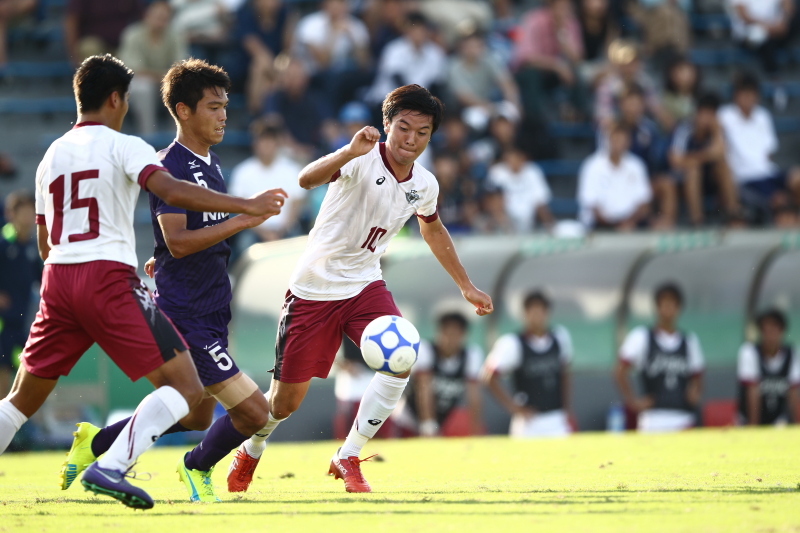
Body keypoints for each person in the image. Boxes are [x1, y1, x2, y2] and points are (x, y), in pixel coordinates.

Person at [0, 54, 284, 509]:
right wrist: (246, 207)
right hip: (110, 279)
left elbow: (44, 242)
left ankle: (98, 447)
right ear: (116, 99)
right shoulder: (127, 146)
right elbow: (169, 195)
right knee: (189, 390)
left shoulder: (50, 156)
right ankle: (111, 466)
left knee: (19, 401)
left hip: (58, 280)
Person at [229, 84, 494, 494]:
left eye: (422, 133)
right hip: (314, 288)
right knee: (284, 403)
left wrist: (466, 286)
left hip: (364, 284)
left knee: (401, 359)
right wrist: (348, 151)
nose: (411, 139)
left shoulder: (425, 184)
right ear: (387, 124)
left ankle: (348, 454)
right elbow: (305, 179)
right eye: (404, 128)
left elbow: (433, 229)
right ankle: (252, 447)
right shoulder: (361, 156)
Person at [614, 283, 704, 433]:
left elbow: (697, 376)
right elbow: (619, 371)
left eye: (672, 304)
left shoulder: (689, 341)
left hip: (684, 417)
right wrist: (633, 402)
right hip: (653, 419)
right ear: (657, 307)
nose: (668, 309)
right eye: (664, 304)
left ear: (679, 308)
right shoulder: (642, 337)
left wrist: (694, 392)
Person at [483, 291, 573, 437]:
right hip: (529, 422)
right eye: (532, 311)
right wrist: (514, 408)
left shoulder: (560, 337)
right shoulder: (512, 343)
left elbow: (565, 372)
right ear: (524, 314)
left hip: (557, 418)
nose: (537, 316)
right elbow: (488, 377)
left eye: (540, 311)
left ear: (547, 313)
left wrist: (566, 408)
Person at [718, 72, 800, 225]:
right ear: (735, 95)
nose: (748, 98)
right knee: (778, 199)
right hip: (745, 178)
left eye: (751, 94)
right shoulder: (724, 116)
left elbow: (769, 153)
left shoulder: (763, 116)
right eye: (744, 94)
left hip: (768, 173)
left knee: (797, 177)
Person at [394, 312, 484, 437]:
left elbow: (473, 395)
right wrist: (428, 425)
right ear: (439, 332)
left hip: (441, 420)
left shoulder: (471, 355)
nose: (450, 339)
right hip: (408, 419)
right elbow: (423, 389)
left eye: (455, 334)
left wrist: (475, 429)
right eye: (447, 333)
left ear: (463, 335)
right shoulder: (425, 350)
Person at [603, 83, 674, 229]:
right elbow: (602, 159)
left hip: (642, 179)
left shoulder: (649, 129)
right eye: (629, 103)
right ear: (621, 105)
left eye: (636, 103)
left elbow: (655, 162)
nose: (632, 108)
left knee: (665, 183)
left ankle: (664, 224)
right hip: (614, 177)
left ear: (642, 106)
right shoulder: (609, 127)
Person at [669, 92, 741, 227]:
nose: (707, 119)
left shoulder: (717, 131)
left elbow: (720, 153)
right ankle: (697, 220)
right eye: (704, 113)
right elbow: (675, 160)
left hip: (710, 179)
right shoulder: (684, 129)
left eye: (711, 114)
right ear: (696, 113)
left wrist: (716, 132)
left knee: (722, 166)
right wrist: (704, 156)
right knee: (693, 169)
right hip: (685, 180)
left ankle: (733, 214)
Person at [119, 1, 189, 135]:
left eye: (165, 17)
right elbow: (133, 70)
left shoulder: (175, 35)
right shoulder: (132, 34)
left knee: (184, 86)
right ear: (147, 15)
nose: (160, 20)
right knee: (143, 87)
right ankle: (148, 135)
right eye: (157, 16)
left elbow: (181, 67)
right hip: (142, 84)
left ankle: (179, 136)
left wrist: (167, 78)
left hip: (165, 83)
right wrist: (164, 77)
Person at [230, 120, 306, 243]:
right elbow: (240, 208)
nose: (266, 145)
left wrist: (281, 231)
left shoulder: (291, 169)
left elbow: (296, 204)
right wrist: (264, 234)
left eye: (270, 140)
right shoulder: (242, 172)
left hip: (286, 230)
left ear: (276, 144)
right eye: (263, 141)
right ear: (255, 144)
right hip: (254, 230)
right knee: (245, 243)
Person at [512, 0, 587, 121]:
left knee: (576, 73)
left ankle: (582, 118)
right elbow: (526, 58)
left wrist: (562, 33)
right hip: (530, 72)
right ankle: (535, 122)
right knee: (532, 76)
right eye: (561, 5)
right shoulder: (533, 19)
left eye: (567, 6)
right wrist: (557, 66)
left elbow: (577, 60)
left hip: (554, 74)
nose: (564, 9)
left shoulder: (571, 22)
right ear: (551, 5)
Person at [0, 191, 41, 396]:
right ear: (11, 214)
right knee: (2, 371)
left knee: (30, 373)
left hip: (23, 324)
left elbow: (43, 281)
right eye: (23, 212)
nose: (27, 217)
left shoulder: (33, 248)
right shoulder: (3, 244)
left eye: (30, 212)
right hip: (3, 325)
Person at [578, 123, 652, 231]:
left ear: (628, 142)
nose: (619, 144)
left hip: (631, 226)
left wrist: (628, 223)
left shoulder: (637, 165)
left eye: (623, 140)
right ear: (608, 140)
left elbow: (644, 203)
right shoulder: (592, 166)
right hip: (601, 226)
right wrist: (615, 227)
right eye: (616, 139)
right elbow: (591, 205)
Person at [367, 11, 447, 106]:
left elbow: (436, 83)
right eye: (414, 28)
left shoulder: (435, 52)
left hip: (420, 102)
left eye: (421, 29)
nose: (418, 33)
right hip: (388, 100)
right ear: (407, 30)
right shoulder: (394, 48)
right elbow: (396, 79)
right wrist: (413, 98)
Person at [448, 29, 521, 130]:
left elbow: (506, 82)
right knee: (475, 119)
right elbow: (463, 97)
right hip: (467, 108)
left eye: (477, 46)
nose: (473, 50)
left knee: (511, 111)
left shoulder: (488, 59)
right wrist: (488, 108)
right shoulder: (454, 66)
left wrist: (514, 102)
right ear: (462, 48)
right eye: (470, 46)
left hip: (490, 103)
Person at [730, 0, 797, 108]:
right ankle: (777, 86)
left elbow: (788, 5)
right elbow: (743, 16)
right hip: (749, 34)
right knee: (766, 43)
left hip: (775, 30)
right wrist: (769, 27)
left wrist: (784, 20)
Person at [738, 309, 800, 426]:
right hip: (749, 423)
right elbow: (752, 392)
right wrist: (753, 428)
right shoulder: (749, 352)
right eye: (766, 330)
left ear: (782, 331)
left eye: (774, 330)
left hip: (778, 422)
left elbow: (793, 394)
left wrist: (796, 426)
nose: (770, 335)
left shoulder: (791, 354)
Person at [487, 145, 553, 233]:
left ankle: (551, 232)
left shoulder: (532, 171)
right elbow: (490, 197)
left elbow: (541, 198)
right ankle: (505, 235)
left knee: (542, 208)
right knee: (495, 203)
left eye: (514, 159)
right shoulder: (497, 171)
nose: (511, 162)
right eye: (508, 159)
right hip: (506, 215)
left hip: (530, 215)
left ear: (522, 159)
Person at [64, 0, 145, 64]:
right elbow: (72, 22)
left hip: (122, 44)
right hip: (95, 44)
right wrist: (73, 55)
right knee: (89, 46)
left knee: (134, 40)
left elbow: (143, 17)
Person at [661, 55, 699, 126]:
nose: (686, 74)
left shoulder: (701, 98)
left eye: (689, 70)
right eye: (681, 70)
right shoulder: (664, 100)